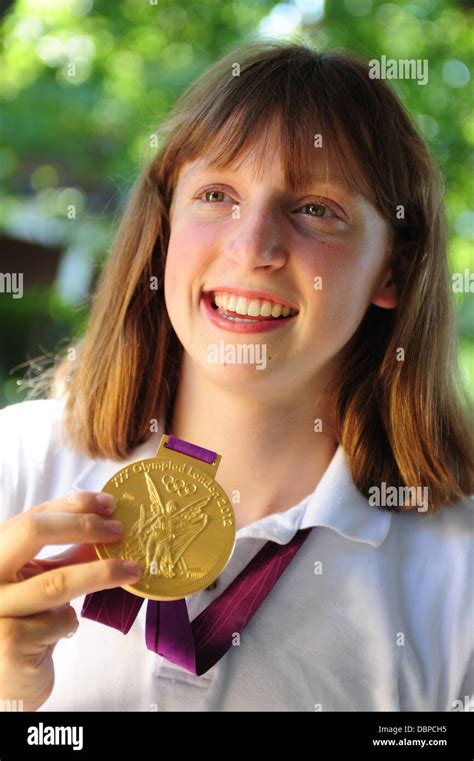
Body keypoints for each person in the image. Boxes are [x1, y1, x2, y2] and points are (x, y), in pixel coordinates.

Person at [0, 40, 472, 712]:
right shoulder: (15, 464)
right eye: (217, 194)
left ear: (392, 270)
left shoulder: (458, 577)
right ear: (163, 230)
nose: (252, 247)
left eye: (316, 208)